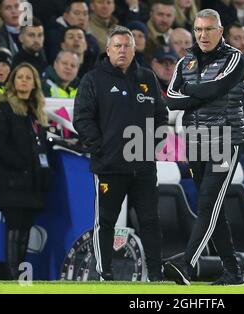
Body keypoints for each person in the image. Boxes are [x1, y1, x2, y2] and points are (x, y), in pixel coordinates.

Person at [73, 26, 167, 282]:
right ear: (108, 49)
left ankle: (156, 276)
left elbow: (162, 116)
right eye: (117, 46)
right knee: (105, 222)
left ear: (135, 49)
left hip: (143, 166)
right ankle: (105, 274)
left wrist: (151, 146)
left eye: (127, 45)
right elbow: (81, 118)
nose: (122, 50)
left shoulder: (147, 78)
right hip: (109, 166)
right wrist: (101, 146)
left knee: (150, 221)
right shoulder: (93, 79)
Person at [164, 9, 244, 286]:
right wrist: (201, 92)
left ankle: (187, 265)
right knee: (214, 210)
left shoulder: (234, 57)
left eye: (209, 29)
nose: (203, 35)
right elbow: (172, 98)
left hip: (225, 139)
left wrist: (192, 91)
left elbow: (216, 89)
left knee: (208, 204)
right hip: (194, 141)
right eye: (199, 29)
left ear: (220, 31)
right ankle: (234, 273)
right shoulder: (184, 61)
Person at [0, 62, 51, 279]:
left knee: (25, 231)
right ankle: (12, 276)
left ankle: (20, 274)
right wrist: (21, 164)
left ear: (34, 83)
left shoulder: (37, 112)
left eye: (28, 77)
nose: (23, 80)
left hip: (32, 184)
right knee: (14, 230)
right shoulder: (4, 108)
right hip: (12, 181)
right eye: (19, 77)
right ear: (13, 82)